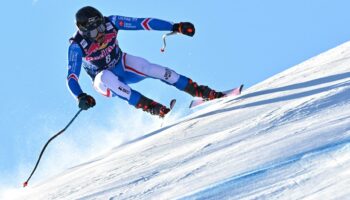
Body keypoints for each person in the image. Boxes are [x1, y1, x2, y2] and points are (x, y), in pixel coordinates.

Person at [67, 6, 224, 117]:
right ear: (85, 32)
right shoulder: (77, 45)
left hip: (121, 64)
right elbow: (72, 77)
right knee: (105, 76)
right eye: (94, 32)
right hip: (103, 82)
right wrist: (80, 96)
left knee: (150, 68)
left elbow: (143, 23)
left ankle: (200, 91)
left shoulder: (111, 22)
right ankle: (153, 108)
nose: (100, 34)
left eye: (101, 28)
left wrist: (175, 26)